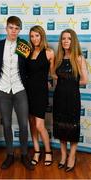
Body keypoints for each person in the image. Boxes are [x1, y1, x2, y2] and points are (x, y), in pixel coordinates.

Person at [0, 16, 34, 170]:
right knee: (7, 124)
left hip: (19, 89)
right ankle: (10, 155)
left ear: (20, 30)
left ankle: (24, 155)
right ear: (6, 28)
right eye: (11, 27)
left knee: (23, 124)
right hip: (3, 90)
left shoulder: (24, 46)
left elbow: (30, 67)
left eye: (17, 28)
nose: (13, 31)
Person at [53, 29, 88, 172]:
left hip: (73, 98)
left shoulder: (79, 58)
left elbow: (85, 80)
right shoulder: (59, 58)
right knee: (61, 128)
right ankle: (63, 155)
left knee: (72, 128)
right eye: (63, 39)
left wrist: (70, 83)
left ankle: (72, 156)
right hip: (59, 97)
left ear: (73, 41)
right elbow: (54, 75)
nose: (66, 41)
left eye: (69, 38)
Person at [26, 25, 55, 166]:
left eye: (37, 35)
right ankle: (37, 151)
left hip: (41, 93)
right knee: (31, 123)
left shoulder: (49, 52)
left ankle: (48, 151)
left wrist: (50, 82)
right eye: (32, 36)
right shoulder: (27, 52)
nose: (34, 38)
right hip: (27, 92)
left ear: (42, 36)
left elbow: (53, 74)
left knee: (39, 124)